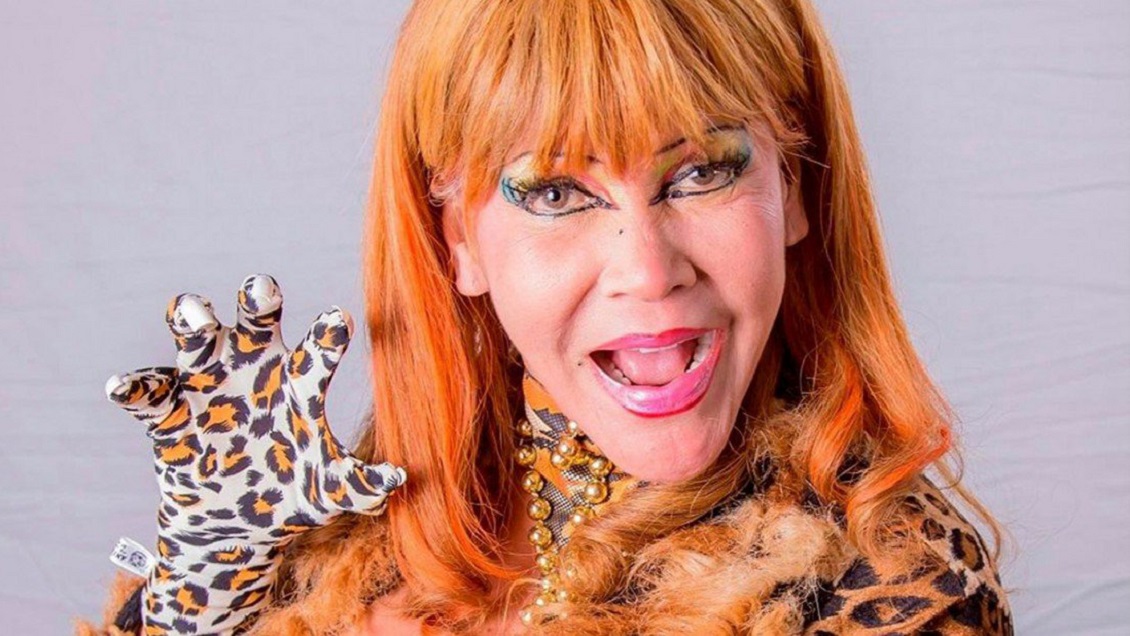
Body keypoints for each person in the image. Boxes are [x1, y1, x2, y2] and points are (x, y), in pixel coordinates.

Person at [77, 0, 1014, 633]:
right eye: (558, 193)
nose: (648, 272)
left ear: (794, 188)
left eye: (702, 172)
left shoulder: (895, 584)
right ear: (458, 238)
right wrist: (202, 599)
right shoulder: (341, 549)